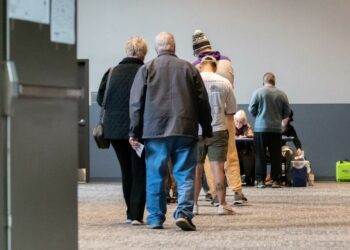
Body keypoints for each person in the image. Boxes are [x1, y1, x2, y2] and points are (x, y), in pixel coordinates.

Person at [129, 32, 212, 231]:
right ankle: (183, 213)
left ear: (157, 48)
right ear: (174, 47)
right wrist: (207, 129)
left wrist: (134, 131)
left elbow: (135, 103)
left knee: (156, 175)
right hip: (185, 129)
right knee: (185, 175)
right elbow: (202, 102)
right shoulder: (189, 69)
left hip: (154, 131)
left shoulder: (146, 68)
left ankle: (156, 218)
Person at [96, 37, 148, 225]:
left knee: (126, 171)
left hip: (115, 130)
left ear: (127, 51)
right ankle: (136, 215)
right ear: (144, 53)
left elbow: (101, 100)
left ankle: (130, 213)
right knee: (139, 170)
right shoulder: (145, 71)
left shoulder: (111, 72)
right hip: (139, 129)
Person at [192, 29, 247, 205]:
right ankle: (237, 191)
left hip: (204, 119)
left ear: (197, 52)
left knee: (210, 159)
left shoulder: (195, 68)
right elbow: (231, 89)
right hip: (226, 115)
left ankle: (216, 194)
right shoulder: (226, 63)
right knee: (231, 152)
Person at [194, 56, 236, 216]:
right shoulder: (225, 82)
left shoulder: (193, 81)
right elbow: (231, 110)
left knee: (196, 168)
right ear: (215, 66)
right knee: (218, 167)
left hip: (196, 130)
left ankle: (193, 205)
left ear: (201, 65)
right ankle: (221, 204)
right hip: (217, 129)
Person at [248, 72, 291, 188]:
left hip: (260, 128)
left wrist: (259, 115)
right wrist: (277, 117)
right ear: (274, 82)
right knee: (276, 155)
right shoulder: (282, 94)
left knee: (260, 155)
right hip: (276, 129)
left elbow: (251, 109)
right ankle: (276, 180)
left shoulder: (257, 92)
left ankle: (260, 181)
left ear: (263, 82)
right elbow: (287, 112)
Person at [234, 110, 255, 186]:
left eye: (241, 122)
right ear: (234, 120)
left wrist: (246, 135)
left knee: (248, 156)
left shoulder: (246, 126)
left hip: (244, 149)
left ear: (244, 122)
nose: (239, 124)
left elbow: (250, 134)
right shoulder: (231, 126)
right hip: (234, 150)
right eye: (237, 121)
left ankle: (248, 177)